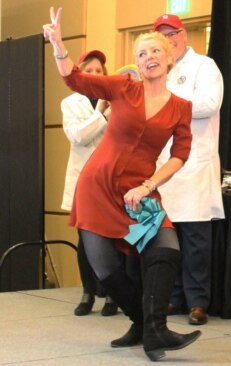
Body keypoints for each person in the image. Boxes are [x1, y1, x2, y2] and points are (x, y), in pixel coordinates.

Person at [43, 7, 200, 361]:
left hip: (140, 190)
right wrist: (57, 44)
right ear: (137, 64)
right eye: (142, 54)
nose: (149, 58)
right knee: (106, 270)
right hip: (97, 187)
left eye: (156, 50)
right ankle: (144, 324)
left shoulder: (181, 107)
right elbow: (75, 79)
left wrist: (148, 186)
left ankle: (154, 329)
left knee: (167, 247)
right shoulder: (122, 87)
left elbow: (180, 154)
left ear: (169, 57)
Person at [153, 14, 224, 326]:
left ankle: (198, 302)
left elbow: (209, 103)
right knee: (171, 239)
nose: (168, 40)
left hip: (194, 165)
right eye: (162, 36)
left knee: (195, 240)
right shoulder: (159, 73)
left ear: (184, 35)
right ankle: (175, 297)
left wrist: (169, 101)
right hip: (165, 168)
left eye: (172, 33)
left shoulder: (204, 66)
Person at [60, 49, 119, 317]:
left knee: (112, 238)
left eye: (99, 71)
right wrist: (101, 114)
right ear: (80, 72)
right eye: (89, 70)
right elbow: (77, 136)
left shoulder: (116, 98)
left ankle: (112, 295)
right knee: (85, 239)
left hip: (110, 179)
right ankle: (88, 292)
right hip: (83, 179)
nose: (95, 75)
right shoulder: (69, 103)